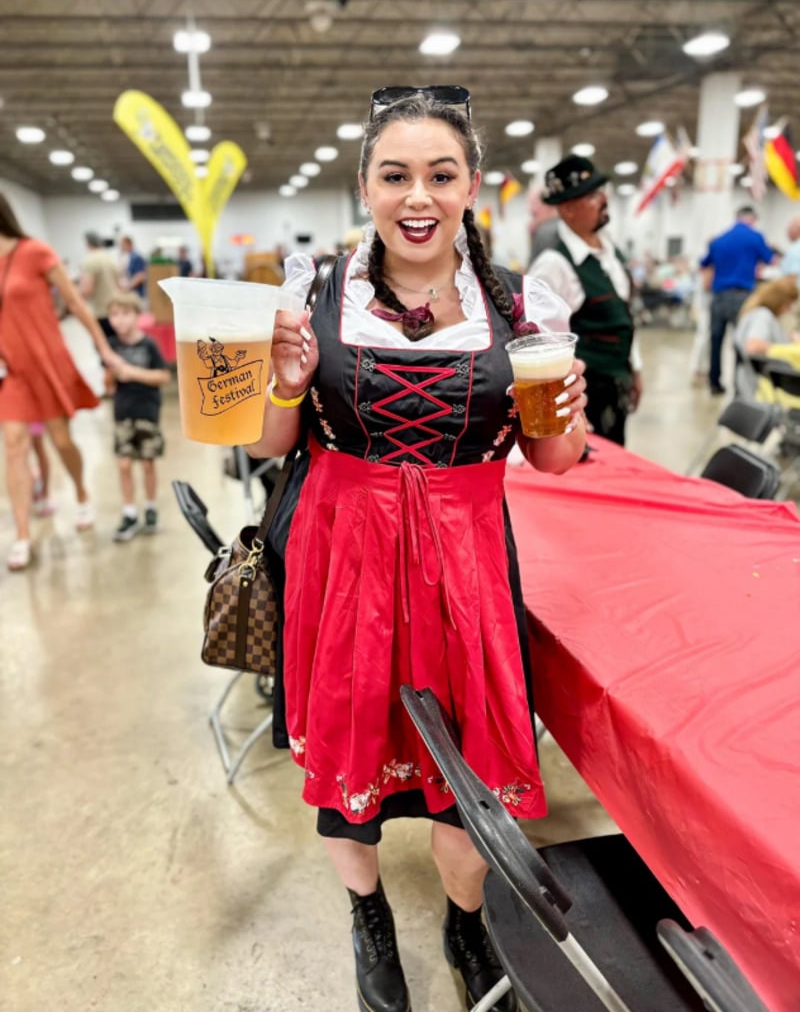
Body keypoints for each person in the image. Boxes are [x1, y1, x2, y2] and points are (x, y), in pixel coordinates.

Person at [247, 85, 588, 1012]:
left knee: (464, 777)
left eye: (441, 174)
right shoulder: (314, 294)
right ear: (365, 186)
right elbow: (270, 446)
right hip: (343, 557)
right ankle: (367, 918)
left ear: (471, 184)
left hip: (469, 564)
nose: (418, 197)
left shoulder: (520, 304)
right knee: (345, 766)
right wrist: (282, 385)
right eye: (395, 175)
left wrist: (570, 399)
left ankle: (466, 921)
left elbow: (556, 460)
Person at [0, 193, 121, 570]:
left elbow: (76, 303)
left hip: (49, 365)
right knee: (15, 445)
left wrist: (105, 351)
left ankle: (82, 492)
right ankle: (22, 534)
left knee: (62, 440)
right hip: (13, 371)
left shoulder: (34, 251)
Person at [528, 154, 643, 446]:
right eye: (592, 195)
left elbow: (623, 315)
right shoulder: (554, 264)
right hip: (585, 396)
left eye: (601, 192)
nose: (603, 200)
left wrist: (635, 369)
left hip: (616, 385)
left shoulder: (611, 252)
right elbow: (537, 340)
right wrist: (565, 407)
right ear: (568, 209)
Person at [104, 292, 170, 541]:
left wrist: (131, 372)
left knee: (147, 462)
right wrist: (111, 376)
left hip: (147, 412)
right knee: (123, 464)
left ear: (136, 315)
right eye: (113, 315)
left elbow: (162, 376)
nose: (118, 320)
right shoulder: (112, 346)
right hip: (122, 412)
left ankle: (151, 507)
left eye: (124, 314)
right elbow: (109, 383)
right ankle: (129, 511)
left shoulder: (148, 345)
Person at [699, 206, 774, 396]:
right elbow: (769, 259)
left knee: (715, 341)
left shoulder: (719, 240)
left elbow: (704, 264)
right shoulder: (755, 237)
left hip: (718, 297)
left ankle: (714, 383)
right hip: (742, 297)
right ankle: (739, 388)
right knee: (742, 342)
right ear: (751, 218)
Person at [733, 276, 800, 400]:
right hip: (760, 389)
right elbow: (753, 345)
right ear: (779, 301)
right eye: (788, 304)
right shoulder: (763, 316)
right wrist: (786, 349)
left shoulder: (755, 313)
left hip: (749, 384)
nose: (788, 310)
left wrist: (790, 339)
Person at [80, 231, 121, 339]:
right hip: (115, 308)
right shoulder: (110, 259)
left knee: (105, 346)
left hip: (101, 311)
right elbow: (120, 284)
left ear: (88, 244)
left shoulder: (90, 260)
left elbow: (87, 289)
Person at [119, 235, 147, 299]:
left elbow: (140, 276)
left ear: (129, 244)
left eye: (123, 245)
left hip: (136, 293)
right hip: (129, 291)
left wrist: (127, 288)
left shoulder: (136, 258)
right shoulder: (126, 257)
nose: (121, 248)